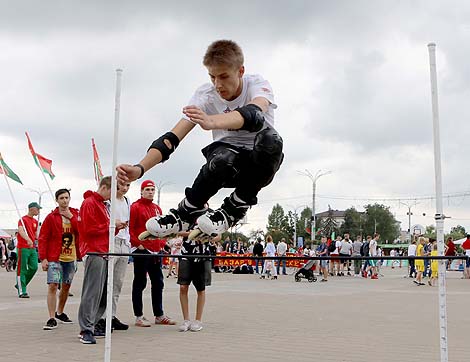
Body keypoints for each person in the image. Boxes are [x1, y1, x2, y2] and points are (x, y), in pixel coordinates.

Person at [117, 39, 283, 240]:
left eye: (224, 76)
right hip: (226, 163)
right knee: (222, 157)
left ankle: (236, 206)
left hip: (258, 165)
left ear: (240, 71)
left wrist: (212, 121)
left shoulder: (257, 84)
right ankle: (187, 212)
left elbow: (254, 115)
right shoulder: (205, 94)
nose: (218, 85)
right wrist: (140, 168)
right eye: (212, 77)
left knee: (271, 140)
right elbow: (171, 139)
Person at [77, 176, 127, 344]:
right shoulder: (90, 203)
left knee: (105, 291)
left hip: (105, 251)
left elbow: (104, 230)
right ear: (105, 187)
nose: (114, 196)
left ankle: (93, 323)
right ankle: (85, 329)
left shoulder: (103, 205)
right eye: (113, 191)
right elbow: (88, 229)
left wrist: (115, 227)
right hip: (94, 252)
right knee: (92, 292)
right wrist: (112, 225)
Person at [129, 180, 176, 328]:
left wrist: (162, 244)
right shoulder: (135, 207)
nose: (150, 192)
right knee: (140, 282)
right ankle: (138, 316)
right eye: (147, 189)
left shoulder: (157, 209)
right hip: (142, 250)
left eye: (152, 190)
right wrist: (138, 244)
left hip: (156, 251)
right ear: (141, 191)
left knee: (158, 282)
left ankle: (159, 315)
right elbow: (129, 229)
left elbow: (161, 230)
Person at [38, 188, 80, 330]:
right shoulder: (51, 217)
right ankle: (51, 318)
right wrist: (43, 258)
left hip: (71, 257)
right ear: (57, 200)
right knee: (53, 285)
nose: (64, 200)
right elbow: (43, 237)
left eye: (67, 197)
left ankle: (60, 312)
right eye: (61, 198)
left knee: (66, 287)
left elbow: (83, 230)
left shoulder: (75, 214)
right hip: (55, 258)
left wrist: (71, 217)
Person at [97, 182, 131, 332]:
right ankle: (100, 318)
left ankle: (111, 315)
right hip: (112, 241)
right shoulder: (108, 201)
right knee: (106, 282)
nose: (124, 188)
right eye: (122, 185)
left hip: (125, 242)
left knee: (117, 282)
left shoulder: (127, 200)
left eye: (128, 185)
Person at [177, 232, 220, 332]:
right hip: (186, 253)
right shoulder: (185, 217)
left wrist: (206, 237)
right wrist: (193, 233)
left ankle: (198, 320)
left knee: (200, 288)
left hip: (202, 255)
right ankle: (186, 320)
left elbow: (218, 236)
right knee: (183, 287)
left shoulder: (209, 217)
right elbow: (178, 231)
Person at [16, 202, 41, 298]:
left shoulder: (35, 221)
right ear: (31, 209)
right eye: (37, 209)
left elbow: (36, 235)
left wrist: (40, 240)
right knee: (22, 269)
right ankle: (22, 291)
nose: (38, 211)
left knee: (34, 267)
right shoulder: (22, 220)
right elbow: (21, 231)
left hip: (32, 248)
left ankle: (22, 283)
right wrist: (27, 239)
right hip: (23, 247)